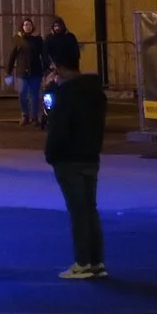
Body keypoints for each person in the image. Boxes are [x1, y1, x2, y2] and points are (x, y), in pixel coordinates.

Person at [44, 46, 109, 280]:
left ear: (59, 68)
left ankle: (82, 262)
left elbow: (57, 127)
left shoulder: (66, 94)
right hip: (90, 155)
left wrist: (50, 154)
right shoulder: (95, 91)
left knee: (78, 212)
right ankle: (96, 261)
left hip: (68, 158)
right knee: (90, 210)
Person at [9, 18, 49, 125]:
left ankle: (34, 117)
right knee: (22, 93)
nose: (27, 26)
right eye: (25, 25)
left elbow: (44, 54)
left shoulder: (38, 39)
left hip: (35, 70)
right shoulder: (18, 39)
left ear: (32, 26)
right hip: (22, 71)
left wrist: (46, 67)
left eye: (29, 24)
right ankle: (25, 114)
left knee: (35, 95)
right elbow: (12, 55)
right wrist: (9, 70)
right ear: (22, 27)